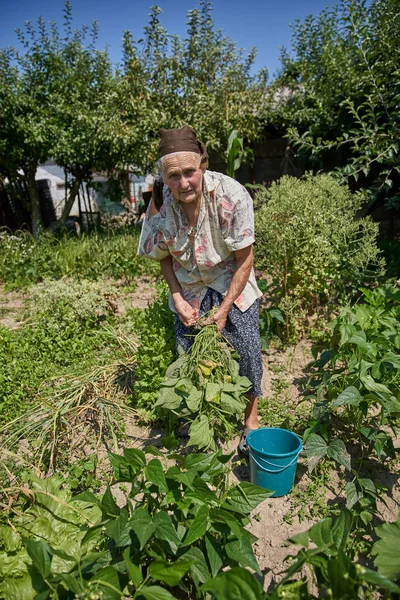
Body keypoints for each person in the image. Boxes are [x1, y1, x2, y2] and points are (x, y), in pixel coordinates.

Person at [138, 126, 263, 454]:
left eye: (190, 172)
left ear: (203, 165)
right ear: (164, 178)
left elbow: (245, 258)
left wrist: (223, 310)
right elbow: (162, 255)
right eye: (174, 176)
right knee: (190, 354)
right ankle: (197, 415)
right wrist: (178, 297)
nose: (183, 183)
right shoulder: (160, 201)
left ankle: (251, 419)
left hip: (230, 280)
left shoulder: (231, 195)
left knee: (247, 351)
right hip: (190, 284)